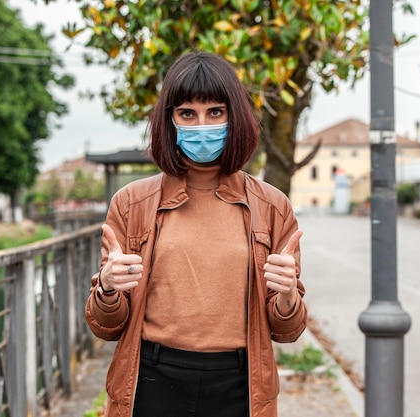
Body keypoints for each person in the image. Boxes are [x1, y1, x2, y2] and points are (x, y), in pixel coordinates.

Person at [85, 51, 307, 417]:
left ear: (234, 117)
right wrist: (108, 289)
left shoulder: (272, 206)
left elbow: (288, 329)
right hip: (152, 382)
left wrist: (286, 296)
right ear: (169, 120)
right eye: (187, 113)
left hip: (240, 387)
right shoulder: (131, 203)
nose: (202, 125)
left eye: (215, 112)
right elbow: (106, 326)